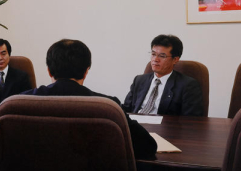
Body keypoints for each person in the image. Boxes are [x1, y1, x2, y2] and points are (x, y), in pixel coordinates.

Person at [24, 39, 157, 160]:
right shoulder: (108, 106)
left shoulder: (21, 102)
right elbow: (147, 147)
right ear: (86, 71)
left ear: (48, 71)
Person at [122, 34, 204, 116]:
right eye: (153, 54)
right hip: (135, 125)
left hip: (163, 127)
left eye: (162, 56)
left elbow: (191, 119)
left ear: (175, 59)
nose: (155, 59)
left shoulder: (187, 85)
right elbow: (126, 109)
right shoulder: (139, 80)